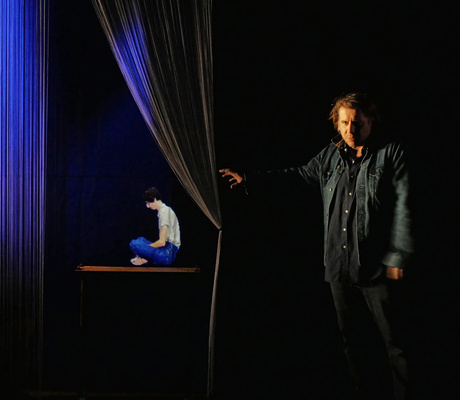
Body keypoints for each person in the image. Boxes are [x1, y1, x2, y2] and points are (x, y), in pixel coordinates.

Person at [220, 92, 414, 400]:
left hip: (376, 266)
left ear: (371, 121)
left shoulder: (390, 153)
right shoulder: (330, 156)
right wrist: (250, 180)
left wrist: (397, 257)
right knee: (352, 341)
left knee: (396, 344)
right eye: (345, 123)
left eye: (358, 123)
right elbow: (298, 176)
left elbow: (405, 204)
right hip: (338, 265)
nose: (351, 130)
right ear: (337, 124)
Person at [129, 187, 181, 266]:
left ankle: (143, 259)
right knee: (140, 239)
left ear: (154, 199)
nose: (147, 206)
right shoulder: (164, 210)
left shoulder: (164, 212)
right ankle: (143, 259)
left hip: (167, 254)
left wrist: (146, 249)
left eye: (148, 203)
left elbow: (162, 242)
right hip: (167, 251)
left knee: (134, 243)